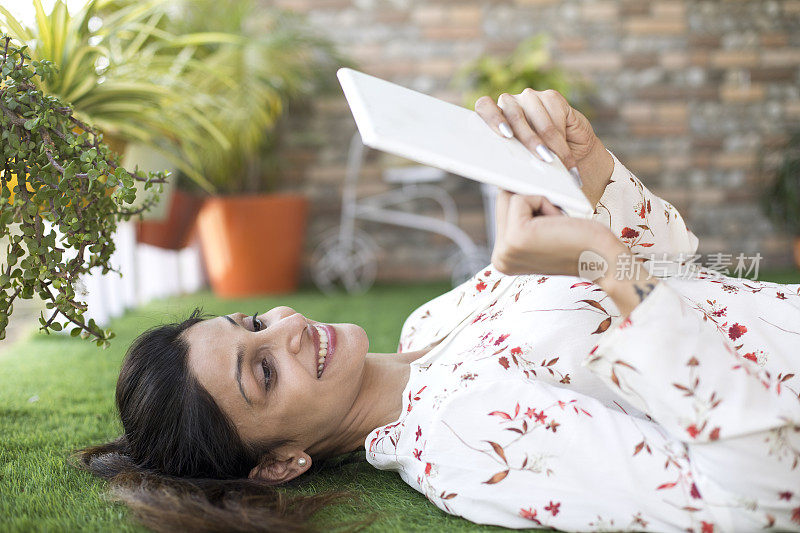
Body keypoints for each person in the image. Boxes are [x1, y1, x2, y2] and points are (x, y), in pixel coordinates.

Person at [78, 89, 800, 533]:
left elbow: (671, 260)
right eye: (264, 372)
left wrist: (589, 164)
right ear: (282, 463)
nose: (289, 329)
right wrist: (605, 262)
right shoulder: (461, 438)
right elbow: (760, 491)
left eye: (255, 324)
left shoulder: (428, 324)